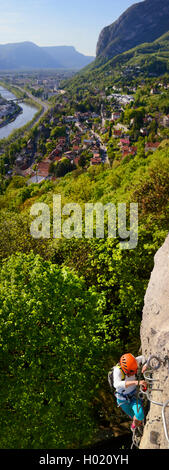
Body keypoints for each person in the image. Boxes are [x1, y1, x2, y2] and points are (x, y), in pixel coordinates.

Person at [113, 353, 147, 430]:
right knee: (133, 415)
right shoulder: (117, 370)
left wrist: (145, 366)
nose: (133, 374)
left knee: (139, 415)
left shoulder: (134, 362)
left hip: (133, 396)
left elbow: (143, 357)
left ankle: (134, 425)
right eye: (131, 372)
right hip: (122, 399)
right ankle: (137, 425)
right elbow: (116, 384)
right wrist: (136, 382)